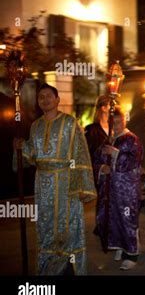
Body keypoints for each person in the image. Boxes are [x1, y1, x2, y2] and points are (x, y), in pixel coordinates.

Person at [13, 83, 96, 275]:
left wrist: (82, 185)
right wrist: (21, 148)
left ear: (57, 100)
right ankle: (49, 268)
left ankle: (69, 266)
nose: (45, 99)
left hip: (66, 182)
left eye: (49, 96)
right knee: (46, 224)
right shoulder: (35, 126)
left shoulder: (69, 122)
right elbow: (33, 155)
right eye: (41, 97)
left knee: (68, 224)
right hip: (42, 183)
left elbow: (81, 153)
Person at [94, 107, 143, 271]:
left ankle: (131, 253)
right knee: (112, 217)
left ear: (124, 120)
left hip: (126, 189)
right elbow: (96, 159)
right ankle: (120, 247)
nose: (115, 125)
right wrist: (102, 168)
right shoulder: (108, 139)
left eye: (118, 121)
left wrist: (115, 154)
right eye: (112, 122)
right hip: (110, 189)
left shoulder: (132, 139)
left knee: (126, 218)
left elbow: (133, 161)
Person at [85, 95, 110, 236]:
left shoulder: (117, 126)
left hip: (114, 170)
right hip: (100, 170)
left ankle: (111, 225)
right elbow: (88, 152)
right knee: (103, 198)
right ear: (103, 107)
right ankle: (102, 226)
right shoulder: (92, 129)